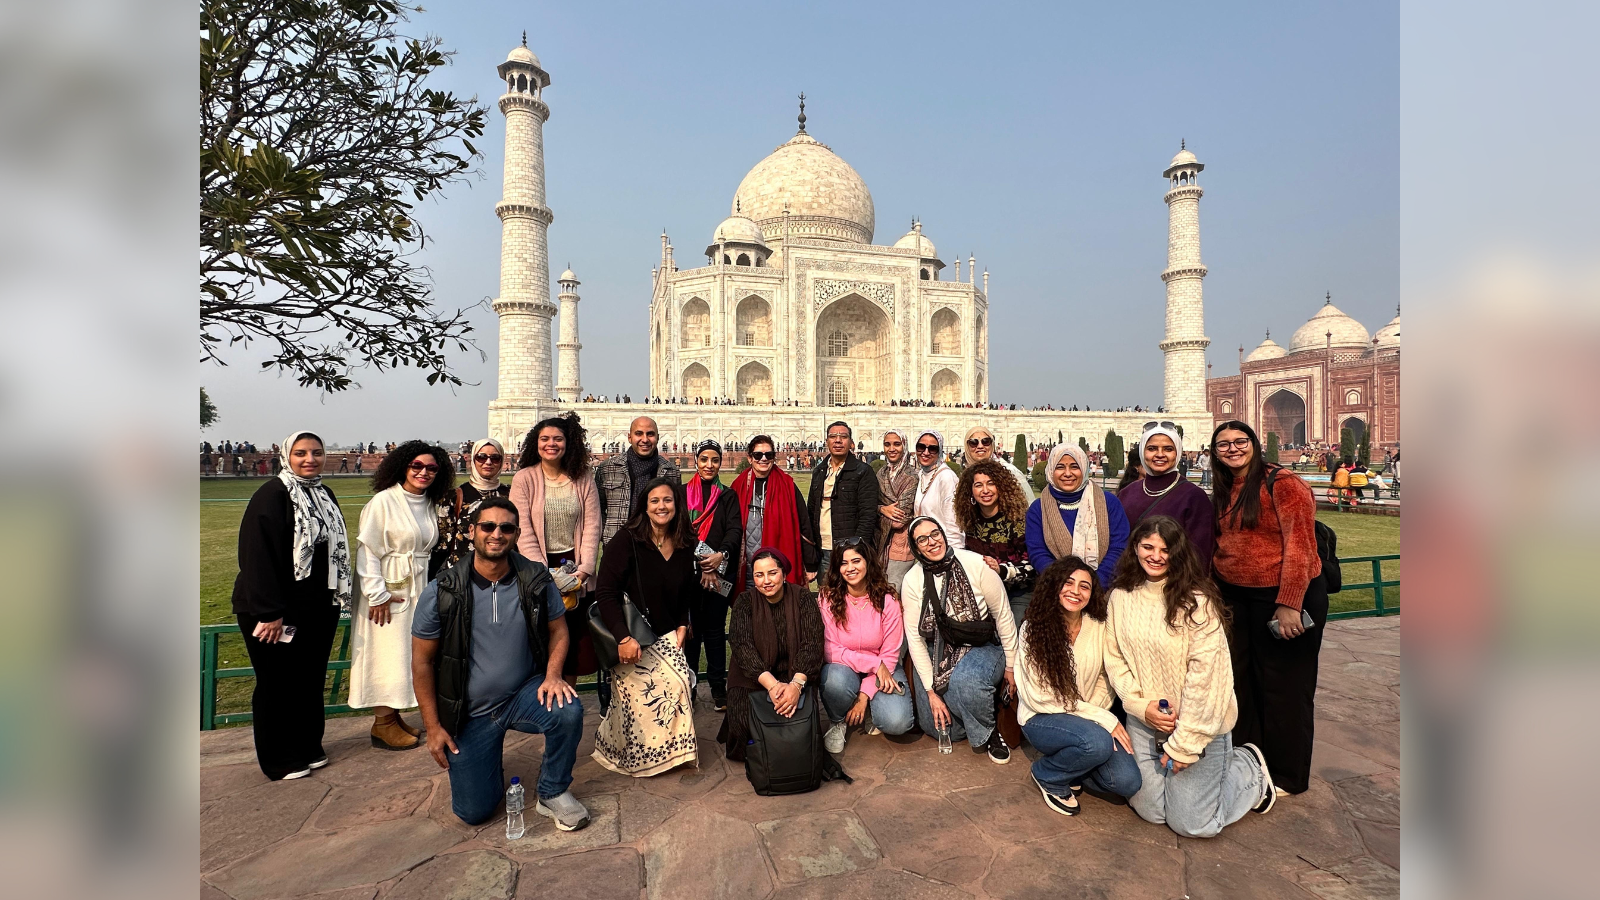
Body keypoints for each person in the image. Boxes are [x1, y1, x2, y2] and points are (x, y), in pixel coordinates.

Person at [409, 497, 590, 831]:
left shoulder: (534, 579)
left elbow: (559, 630)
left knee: (567, 710)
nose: (496, 534)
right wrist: (433, 727)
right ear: (471, 532)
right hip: (469, 710)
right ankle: (485, 761)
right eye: (488, 526)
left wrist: (552, 675)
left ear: (516, 534)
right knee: (474, 812)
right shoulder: (443, 590)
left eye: (506, 528)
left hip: (523, 693)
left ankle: (553, 790)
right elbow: (422, 661)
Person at [1103, 516, 1275, 837]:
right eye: (1148, 547)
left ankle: (1248, 768)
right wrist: (1140, 706)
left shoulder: (1198, 603)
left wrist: (1185, 745)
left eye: (1166, 549)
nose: (1156, 556)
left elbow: (1208, 679)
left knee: (1193, 824)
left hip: (1198, 725)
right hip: (1146, 723)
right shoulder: (1120, 597)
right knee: (1152, 812)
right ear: (1136, 549)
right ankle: (1189, 786)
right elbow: (1115, 659)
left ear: (1178, 554)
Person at [1210, 420, 1325, 795]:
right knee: (1242, 682)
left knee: (1284, 688)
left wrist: (1289, 603)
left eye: (1240, 441)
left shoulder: (1284, 483)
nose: (1232, 449)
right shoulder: (1227, 487)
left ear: (1255, 444)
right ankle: (1248, 760)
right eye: (1223, 444)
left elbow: (1301, 547)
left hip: (1282, 596)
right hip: (1237, 598)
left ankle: (1286, 775)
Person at [231, 431, 352, 779]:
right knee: (276, 681)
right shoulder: (272, 495)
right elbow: (257, 558)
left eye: (316, 453)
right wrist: (269, 613)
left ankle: (307, 746)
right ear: (287, 455)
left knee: (308, 679)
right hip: (272, 608)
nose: (309, 459)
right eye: (301, 453)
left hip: (315, 606)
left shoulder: (323, 494)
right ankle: (279, 757)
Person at [1016, 557, 1142, 816]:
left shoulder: (1099, 626)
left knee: (1127, 782)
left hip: (1085, 721)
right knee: (1096, 742)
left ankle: (1071, 764)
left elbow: (1105, 678)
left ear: (1092, 592)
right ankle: (1048, 774)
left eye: (1084, 586)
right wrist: (1101, 721)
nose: (1075, 591)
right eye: (1068, 582)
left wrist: (1091, 718)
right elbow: (1040, 697)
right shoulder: (1034, 629)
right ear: (1055, 585)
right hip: (1041, 718)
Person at [591, 477, 699, 776]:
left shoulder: (684, 541)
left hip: (666, 633)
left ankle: (667, 756)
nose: (661, 506)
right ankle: (636, 756)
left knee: (676, 689)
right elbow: (605, 592)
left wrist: (682, 623)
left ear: (677, 505)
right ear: (644, 506)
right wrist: (623, 637)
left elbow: (686, 588)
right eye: (654, 501)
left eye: (667, 500)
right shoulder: (627, 540)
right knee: (640, 706)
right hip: (633, 637)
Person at [349, 441, 453, 750]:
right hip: (388, 589)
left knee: (409, 652)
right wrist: (376, 594)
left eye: (432, 468)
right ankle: (382, 723)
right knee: (387, 651)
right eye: (417, 466)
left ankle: (393, 717)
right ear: (403, 467)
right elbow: (368, 551)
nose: (424, 473)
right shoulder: (383, 502)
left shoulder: (428, 502)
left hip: (417, 586)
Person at [901, 516, 1018, 763]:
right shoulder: (913, 580)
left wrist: (1010, 665)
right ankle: (973, 709)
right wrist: (931, 692)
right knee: (940, 730)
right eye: (922, 539)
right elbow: (915, 638)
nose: (932, 542)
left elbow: (1003, 615)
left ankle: (989, 731)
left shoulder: (976, 564)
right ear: (915, 547)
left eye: (935, 534)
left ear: (943, 533)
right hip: (939, 649)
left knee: (967, 680)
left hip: (982, 644)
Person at [510, 414, 606, 705]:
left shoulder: (582, 478)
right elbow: (521, 529)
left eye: (558, 439)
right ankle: (539, 701)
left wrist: (586, 568)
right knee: (540, 638)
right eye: (545, 439)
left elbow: (592, 525)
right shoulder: (524, 479)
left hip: (574, 571)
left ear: (569, 443)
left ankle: (566, 702)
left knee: (573, 643)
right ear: (535, 444)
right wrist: (543, 574)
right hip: (535, 569)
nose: (551, 444)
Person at [719, 548, 827, 761]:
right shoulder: (744, 602)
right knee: (745, 732)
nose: (766, 581)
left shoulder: (803, 598)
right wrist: (773, 686)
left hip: (795, 675)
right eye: (759, 575)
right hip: (755, 678)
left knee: (797, 731)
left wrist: (795, 686)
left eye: (772, 573)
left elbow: (813, 643)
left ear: (784, 574)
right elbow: (742, 646)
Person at [818, 541, 913, 753]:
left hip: (885, 668)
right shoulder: (827, 598)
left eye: (856, 561)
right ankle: (838, 720)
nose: (850, 568)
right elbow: (829, 649)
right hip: (844, 667)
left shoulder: (888, 600)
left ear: (868, 563)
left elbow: (889, 656)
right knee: (833, 680)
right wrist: (873, 663)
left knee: (897, 722)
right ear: (837, 568)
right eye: (843, 563)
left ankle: (869, 706)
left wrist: (864, 696)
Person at [683, 439, 744, 711]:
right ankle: (691, 687)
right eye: (704, 459)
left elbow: (734, 531)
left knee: (716, 631)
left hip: (720, 572)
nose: (710, 465)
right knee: (691, 631)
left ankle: (719, 688)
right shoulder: (682, 493)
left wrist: (719, 557)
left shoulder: (727, 496)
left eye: (715, 460)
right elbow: (681, 532)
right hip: (690, 573)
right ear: (696, 461)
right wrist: (703, 563)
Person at [1026, 444, 1129, 588]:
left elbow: (1118, 547)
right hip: (1056, 588)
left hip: (1104, 588)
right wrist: (1066, 584)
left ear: (1084, 468)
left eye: (1074, 467)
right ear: (1050, 470)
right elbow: (1038, 553)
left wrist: (1094, 584)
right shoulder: (1038, 509)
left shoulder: (1108, 503)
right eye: (1060, 467)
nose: (1067, 473)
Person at [1118, 422, 1216, 570]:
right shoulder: (1128, 493)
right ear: (1143, 452)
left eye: (1168, 449)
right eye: (1152, 448)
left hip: (1175, 585)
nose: (1159, 454)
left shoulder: (1193, 497)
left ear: (1177, 453)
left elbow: (1200, 554)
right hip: (1132, 583)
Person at [731, 434, 819, 593]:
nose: (763, 459)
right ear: (750, 458)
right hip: (748, 564)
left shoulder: (787, 485)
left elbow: (804, 524)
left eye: (768, 455)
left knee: (781, 608)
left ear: (774, 458)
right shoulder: (738, 486)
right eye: (758, 455)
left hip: (779, 560)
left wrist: (811, 563)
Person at [956, 459, 1037, 624]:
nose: (985, 490)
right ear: (970, 491)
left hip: (1018, 591)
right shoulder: (972, 522)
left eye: (990, 484)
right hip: (986, 590)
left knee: (1012, 629)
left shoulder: (1018, 519)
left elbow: (1031, 566)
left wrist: (1001, 570)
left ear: (1001, 486)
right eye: (978, 485)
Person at [807, 421, 881, 578]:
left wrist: (857, 550)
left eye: (843, 436)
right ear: (827, 441)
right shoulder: (819, 471)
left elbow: (868, 515)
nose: (838, 440)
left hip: (850, 551)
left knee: (854, 596)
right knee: (827, 596)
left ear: (851, 442)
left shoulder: (862, 472)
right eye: (833, 436)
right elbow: (812, 510)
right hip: (824, 548)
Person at [431, 438, 512, 577]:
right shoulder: (455, 496)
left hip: (504, 574)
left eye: (495, 458)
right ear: (473, 460)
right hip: (462, 575)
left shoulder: (512, 494)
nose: (488, 462)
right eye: (481, 457)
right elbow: (443, 545)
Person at [594, 416, 681, 544]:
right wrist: (607, 534)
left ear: (657, 437)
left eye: (650, 434)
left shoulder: (670, 471)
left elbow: (676, 510)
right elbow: (596, 510)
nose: (645, 439)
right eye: (639, 434)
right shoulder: (608, 468)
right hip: (617, 545)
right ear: (629, 437)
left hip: (656, 545)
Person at [876, 429, 919, 590]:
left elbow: (899, 520)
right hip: (880, 544)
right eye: (887, 444)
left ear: (904, 446)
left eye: (896, 444)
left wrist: (875, 511)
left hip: (900, 546)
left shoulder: (911, 476)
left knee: (894, 592)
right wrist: (881, 509)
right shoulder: (881, 473)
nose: (891, 449)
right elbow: (871, 504)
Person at [913, 431, 964, 549]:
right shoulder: (922, 474)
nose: (925, 452)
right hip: (927, 549)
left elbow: (954, 525)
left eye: (932, 449)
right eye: (921, 447)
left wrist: (954, 557)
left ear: (940, 450)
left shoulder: (946, 477)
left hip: (942, 550)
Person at [961, 425, 1035, 504]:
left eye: (986, 441)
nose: (980, 446)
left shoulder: (1008, 472)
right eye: (973, 442)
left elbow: (1029, 505)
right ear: (967, 447)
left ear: (992, 445)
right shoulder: (967, 475)